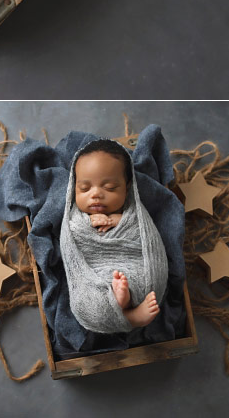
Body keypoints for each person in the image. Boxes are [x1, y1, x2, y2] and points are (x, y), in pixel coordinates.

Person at [69, 140, 163, 328]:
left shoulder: (133, 212)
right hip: (93, 274)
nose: (95, 194)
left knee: (133, 279)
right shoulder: (76, 217)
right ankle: (130, 315)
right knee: (83, 304)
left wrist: (117, 220)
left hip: (129, 265)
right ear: (73, 187)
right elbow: (72, 237)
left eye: (110, 187)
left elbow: (145, 234)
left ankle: (125, 300)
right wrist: (87, 224)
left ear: (127, 188)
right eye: (84, 188)